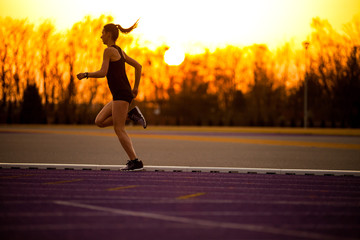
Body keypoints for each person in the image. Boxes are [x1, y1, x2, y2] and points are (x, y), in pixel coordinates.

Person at [77, 20, 146, 171]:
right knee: (99, 121)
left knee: (119, 129)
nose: (100, 36)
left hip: (122, 94)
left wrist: (86, 74)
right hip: (120, 94)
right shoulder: (120, 51)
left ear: (108, 34)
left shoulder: (109, 51)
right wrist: (135, 88)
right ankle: (130, 115)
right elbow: (138, 66)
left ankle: (135, 161)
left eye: (102, 33)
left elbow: (103, 72)